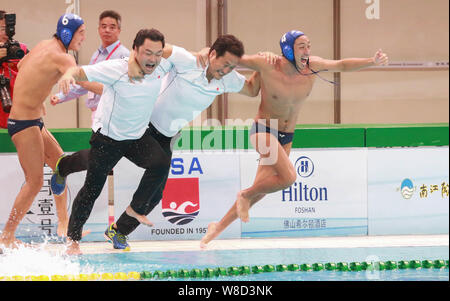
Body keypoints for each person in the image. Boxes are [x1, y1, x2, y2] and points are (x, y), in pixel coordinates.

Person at [200, 30, 389, 248]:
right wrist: (206, 53)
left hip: (287, 135)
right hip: (264, 129)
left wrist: (371, 61)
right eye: (301, 46)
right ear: (288, 49)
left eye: (309, 45)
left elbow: (342, 65)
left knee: (260, 189)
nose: (307, 51)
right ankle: (244, 194)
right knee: (288, 178)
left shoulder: (313, 66)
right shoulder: (267, 64)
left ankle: (217, 227)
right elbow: (230, 56)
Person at [108, 34, 262, 250]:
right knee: (101, 160)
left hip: (168, 136)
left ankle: (119, 231)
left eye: (232, 66)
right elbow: (163, 48)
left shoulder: (228, 79)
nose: (226, 70)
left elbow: (253, 90)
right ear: (212, 54)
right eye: (224, 64)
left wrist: (264, 65)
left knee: (156, 194)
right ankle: (65, 166)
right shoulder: (189, 62)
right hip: (143, 125)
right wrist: (196, 52)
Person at [60, 28, 176, 255]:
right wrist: (67, 76)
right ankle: (72, 240)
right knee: (93, 189)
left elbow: (193, 58)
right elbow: (79, 71)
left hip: (137, 137)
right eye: (147, 53)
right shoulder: (118, 68)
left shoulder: (163, 65)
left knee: (161, 164)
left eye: (158, 53)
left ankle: (124, 223)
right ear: (135, 50)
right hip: (108, 139)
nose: (152, 59)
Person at [0, 14, 86, 250]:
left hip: (33, 119)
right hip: (23, 124)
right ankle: (6, 236)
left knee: (61, 165)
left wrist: (36, 96)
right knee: (35, 182)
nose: (84, 38)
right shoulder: (63, 57)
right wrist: (68, 77)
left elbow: (21, 65)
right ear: (68, 34)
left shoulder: (43, 45)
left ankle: (64, 223)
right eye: (81, 33)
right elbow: (74, 73)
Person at [50, 10, 129, 122]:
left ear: (119, 30)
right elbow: (84, 85)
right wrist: (61, 96)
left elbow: (119, 89)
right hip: (97, 112)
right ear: (98, 29)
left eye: (112, 27)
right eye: (104, 26)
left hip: (114, 113)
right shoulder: (97, 55)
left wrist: (81, 80)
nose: (107, 30)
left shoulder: (124, 55)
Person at [0, 10, 29, 129]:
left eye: (8, 28)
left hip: (18, 115)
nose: (5, 32)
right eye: (2, 28)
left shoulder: (19, 49)